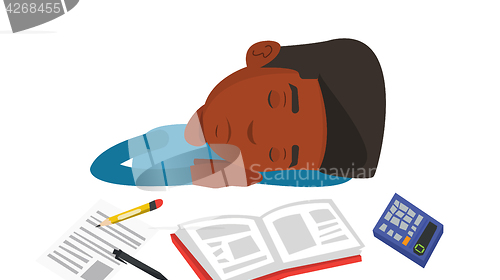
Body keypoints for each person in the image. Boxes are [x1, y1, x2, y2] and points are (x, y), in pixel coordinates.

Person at [91, 38, 385, 188]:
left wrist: (233, 175)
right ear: (262, 54)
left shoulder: (218, 166)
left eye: (278, 154)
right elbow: (103, 168)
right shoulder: (174, 141)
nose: (256, 132)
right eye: (276, 100)